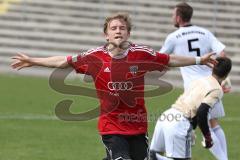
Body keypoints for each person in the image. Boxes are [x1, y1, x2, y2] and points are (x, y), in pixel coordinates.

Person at [11, 12, 216, 160]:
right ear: (106, 35)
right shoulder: (93, 57)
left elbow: (169, 59)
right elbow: (63, 61)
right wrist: (33, 61)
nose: (118, 31)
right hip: (111, 127)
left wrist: (199, 60)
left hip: (137, 125)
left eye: (122, 28)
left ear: (128, 33)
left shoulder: (141, 53)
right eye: (114, 28)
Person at [159, 2, 230, 159]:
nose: (172, 17)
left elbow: (160, 59)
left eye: (173, 15)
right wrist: (224, 78)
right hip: (212, 83)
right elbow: (222, 54)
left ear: (178, 17)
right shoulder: (205, 32)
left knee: (205, 127)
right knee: (214, 123)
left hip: (195, 89)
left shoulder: (173, 37)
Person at [150, 57, 232, 160]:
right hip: (180, 123)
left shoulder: (200, 80)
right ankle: (155, 157)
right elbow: (202, 112)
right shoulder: (217, 89)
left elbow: (197, 100)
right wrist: (208, 137)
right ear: (227, 74)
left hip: (166, 116)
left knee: (153, 155)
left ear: (212, 67)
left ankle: (154, 156)